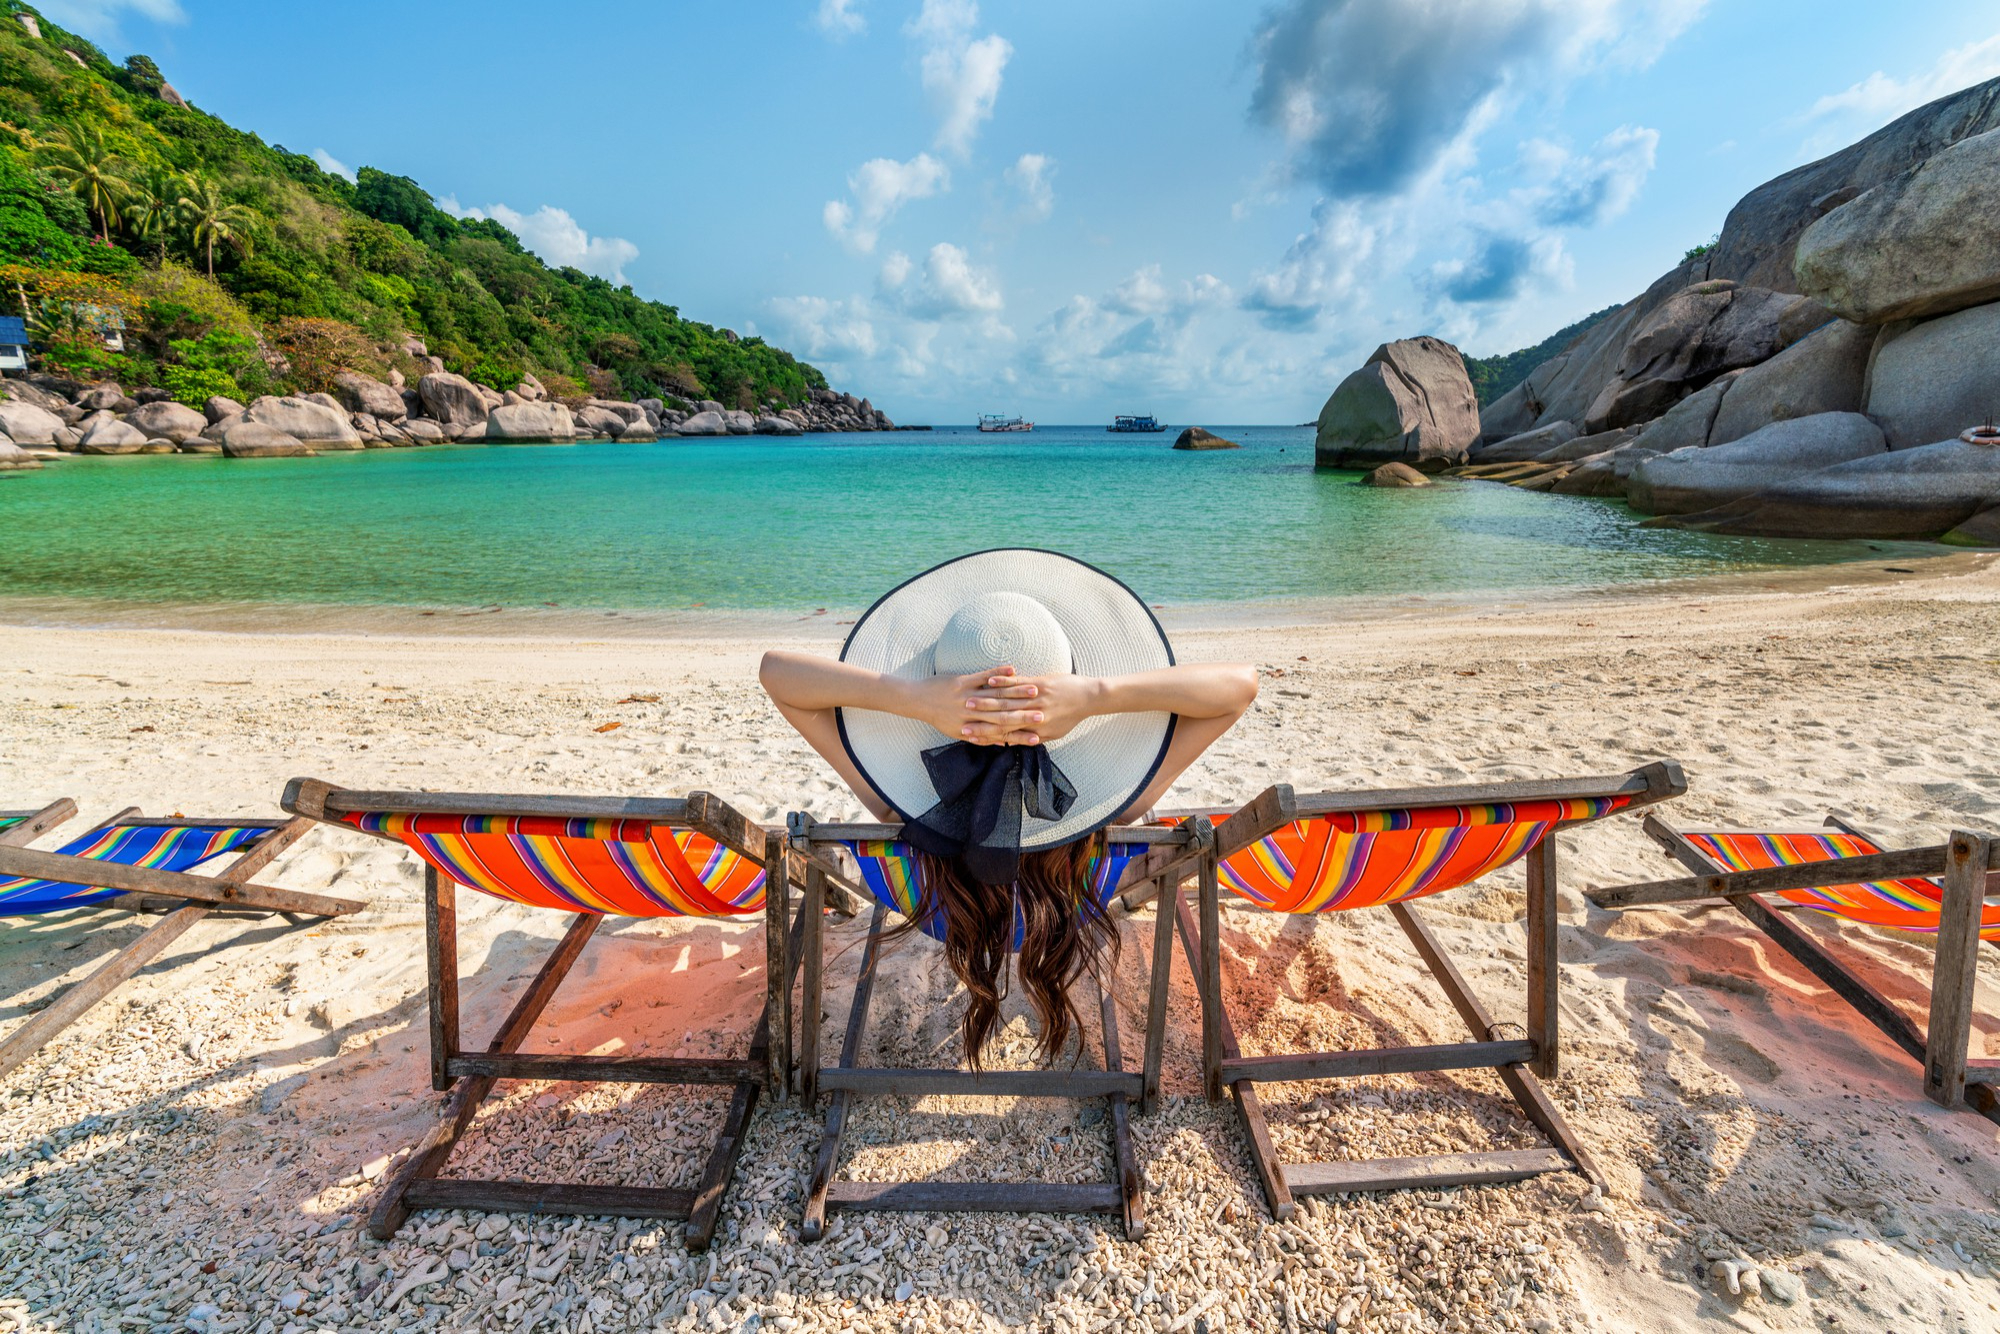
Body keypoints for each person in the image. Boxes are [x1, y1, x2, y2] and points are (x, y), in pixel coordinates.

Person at [760, 549, 1256, 1067]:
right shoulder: (1115, 807)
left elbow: (775, 672)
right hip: (1067, 911)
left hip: (945, 917)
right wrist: (1095, 695)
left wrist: (913, 698)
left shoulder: (895, 805)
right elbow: (1240, 686)